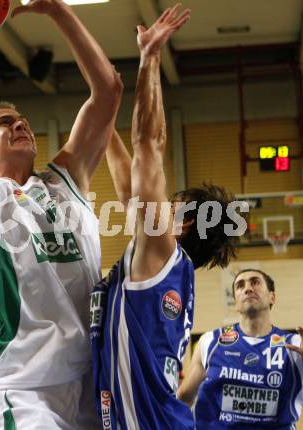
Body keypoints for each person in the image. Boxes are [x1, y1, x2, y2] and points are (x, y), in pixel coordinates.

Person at [0, 0, 123, 428]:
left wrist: (58, 12)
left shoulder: (65, 181)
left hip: (91, 377)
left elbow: (108, 90)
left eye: (24, 120)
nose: (21, 125)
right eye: (6, 122)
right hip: (24, 384)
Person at [90, 4, 239, 429]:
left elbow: (148, 146)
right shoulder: (164, 262)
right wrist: (99, 117)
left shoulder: (162, 251)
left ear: (186, 222)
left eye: (173, 202)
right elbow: (128, 186)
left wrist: (150, 57)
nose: (162, 202)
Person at [178, 269, 303, 429]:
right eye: (240, 286)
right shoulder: (210, 341)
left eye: (255, 282)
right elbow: (185, 397)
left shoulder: (295, 345)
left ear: (272, 297)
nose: (248, 288)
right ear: (236, 302)